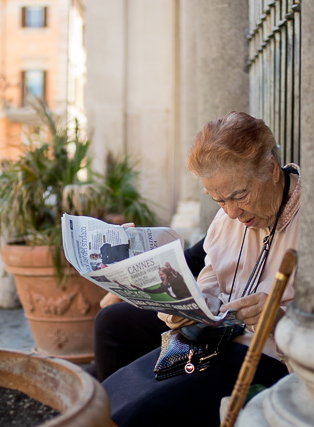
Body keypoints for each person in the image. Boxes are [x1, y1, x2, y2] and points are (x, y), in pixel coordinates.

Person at [101, 111, 301, 426]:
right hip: (213, 342)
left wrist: (280, 318)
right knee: (108, 399)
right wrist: (187, 308)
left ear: (272, 170)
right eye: (219, 201)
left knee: (138, 413)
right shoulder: (227, 218)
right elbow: (208, 278)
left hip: (267, 356)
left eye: (239, 196)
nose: (233, 213)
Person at [88, 238, 207, 382]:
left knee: (110, 321)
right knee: (94, 371)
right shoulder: (223, 225)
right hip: (186, 311)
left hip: (205, 322)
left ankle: (109, 400)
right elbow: (192, 259)